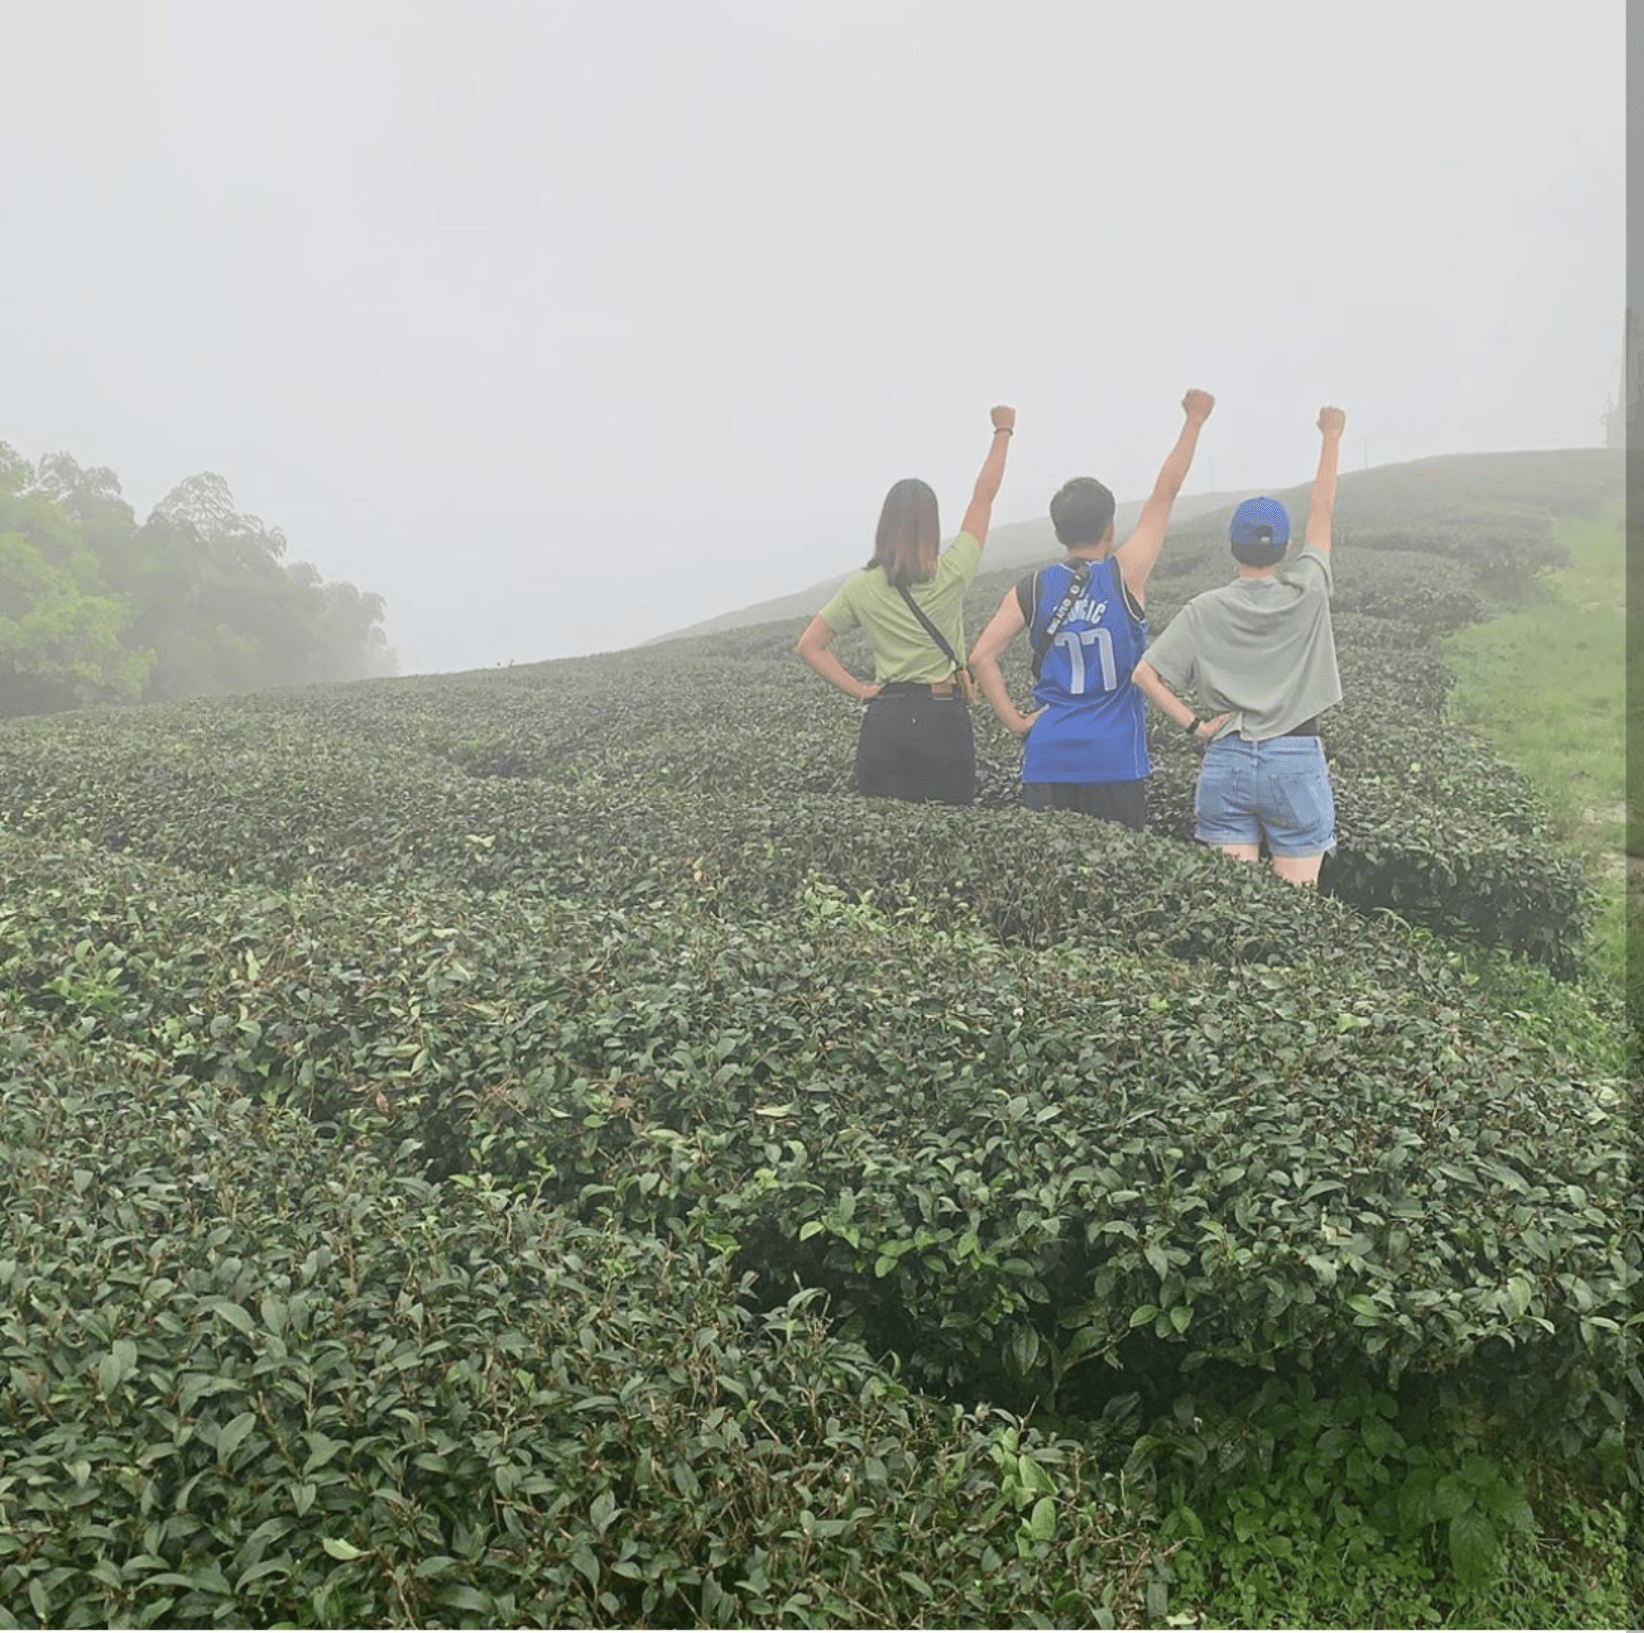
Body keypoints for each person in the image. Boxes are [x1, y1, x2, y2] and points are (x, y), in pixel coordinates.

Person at [967, 389, 1216, 831]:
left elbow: (981, 657)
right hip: (1115, 760)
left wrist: (1018, 724)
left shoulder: (1032, 587)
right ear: (1109, 528)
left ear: (1059, 531)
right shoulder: (1126, 573)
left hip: (1048, 758)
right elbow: (1165, 495)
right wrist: (1194, 420)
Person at [1129, 405, 1347, 885]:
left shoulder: (1204, 608)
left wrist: (1194, 728)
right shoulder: (1308, 589)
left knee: (1236, 912)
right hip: (1295, 757)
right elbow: (1323, 513)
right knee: (1298, 913)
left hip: (1226, 758)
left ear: (1232, 546)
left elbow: (1144, 674)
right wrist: (1331, 436)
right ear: (1286, 548)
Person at [796, 405, 1016, 804]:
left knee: (887, 840)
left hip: (886, 718)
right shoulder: (953, 571)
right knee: (950, 834)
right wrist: (1003, 431)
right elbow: (983, 498)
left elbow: (809, 644)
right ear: (931, 525)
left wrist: (861, 691)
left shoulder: (861, 587)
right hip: (942, 717)